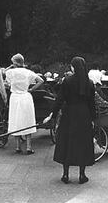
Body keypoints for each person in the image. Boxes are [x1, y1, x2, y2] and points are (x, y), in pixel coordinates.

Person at [44, 56, 95, 184]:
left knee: (67, 141)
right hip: (84, 114)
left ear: (73, 67)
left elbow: (60, 99)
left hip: (69, 114)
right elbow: (92, 103)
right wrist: (93, 119)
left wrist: (53, 114)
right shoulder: (89, 83)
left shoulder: (67, 81)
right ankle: (82, 175)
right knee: (82, 143)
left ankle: (65, 174)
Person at [5, 53, 43, 155]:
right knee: (27, 119)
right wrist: (31, 89)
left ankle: (17, 146)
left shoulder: (11, 72)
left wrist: (11, 66)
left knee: (16, 119)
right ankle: (29, 147)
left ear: (14, 63)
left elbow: (3, 72)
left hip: (15, 97)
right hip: (25, 96)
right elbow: (40, 80)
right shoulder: (28, 72)